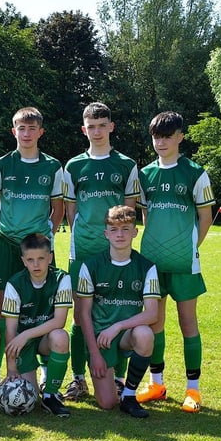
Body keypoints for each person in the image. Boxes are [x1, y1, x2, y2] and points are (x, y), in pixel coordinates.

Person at [136, 111, 215, 413]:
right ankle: (156, 383)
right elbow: (145, 215)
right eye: (156, 136)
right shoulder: (145, 174)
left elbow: (205, 217)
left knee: (187, 323)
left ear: (180, 137)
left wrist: (190, 247)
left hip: (183, 262)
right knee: (155, 322)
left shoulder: (195, 172)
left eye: (167, 136)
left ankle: (193, 390)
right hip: (152, 262)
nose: (161, 141)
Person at [62, 102, 139, 401]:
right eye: (90, 126)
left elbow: (129, 212)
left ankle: (118, 378)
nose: (96, 131)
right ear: (84, 129)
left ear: (111, 127)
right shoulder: (74, 166)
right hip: (83, 250)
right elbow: (71, 211)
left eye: (101, 125)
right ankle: (78, 378)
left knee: (115, 311)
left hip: (117, 252)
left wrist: (119, 241)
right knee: (81, 317)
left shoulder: (125, 164)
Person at [0, 107, 64, 388]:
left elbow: (58, 209)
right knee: (0, 307)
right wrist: (6, 233)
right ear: (13, 131)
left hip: (39, 248)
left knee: (43, 304)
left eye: (32, 129)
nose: (27, 133)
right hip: (6, 244)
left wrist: (41, 240)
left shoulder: (53, 166)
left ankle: (43, 370)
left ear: (41, 132)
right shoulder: (1, 164)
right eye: (21, 128)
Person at [76, 205, 159, 418]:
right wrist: (94, 354)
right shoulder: (91, 265)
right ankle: (114, 388)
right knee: (106, 403)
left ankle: (129, 396)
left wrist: (118, 326)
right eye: (113, 229)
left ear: (134, 231)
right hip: (100, 337)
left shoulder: (147, 267)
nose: (119, 234)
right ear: (106, 234)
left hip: (125, 333)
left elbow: (152, 314)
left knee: (145, 334)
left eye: (125, 228)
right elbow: (83, 314)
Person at [2, 233, 72, 417]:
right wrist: (11, 367)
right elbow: (10, 330)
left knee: (61, 336)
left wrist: (26, 334)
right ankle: (38, 379)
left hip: (43, 337)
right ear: (23, 261)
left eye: (41, 258)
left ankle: (51, 395)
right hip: (21, 344)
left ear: (50, 257)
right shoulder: (14, 284)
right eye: (30, 259)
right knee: (29, 395)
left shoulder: (62, 279)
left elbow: (60, 321)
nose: (36, 264)